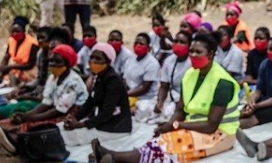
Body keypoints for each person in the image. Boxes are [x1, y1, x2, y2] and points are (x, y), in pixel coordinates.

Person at [92, 32, 240, 162]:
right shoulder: (190, 75)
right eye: (191, 51)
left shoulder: (223, 83)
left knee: (170, 144)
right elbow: (180, 110)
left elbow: (211, 126)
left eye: (198, 52)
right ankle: (118, 157)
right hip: (196, 126)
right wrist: (169, 125)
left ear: (211, 54)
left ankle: (116, 157)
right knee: (161, 139)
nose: (193, 55)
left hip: (220, 134)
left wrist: (176, 126)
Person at [0, 44, 89, 155]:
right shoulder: (53, 78)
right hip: (56, 109)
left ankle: (14, 142)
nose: (53, 65)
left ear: (67, 64)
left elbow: (60, 111)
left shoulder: (73, 82)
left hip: (72, 114)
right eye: (52, 61)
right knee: (20, 118)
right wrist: (28, 115)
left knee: (37, 124)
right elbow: (46, 103)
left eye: (58, 62)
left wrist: (31, 117)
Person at [60, 42, 132, 146]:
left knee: (69, 137)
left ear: (108, 62)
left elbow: (107, 113)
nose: (93, 61)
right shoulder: (99, 77)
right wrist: (75, 118)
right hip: (103, 121)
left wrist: (80, 125)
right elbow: (90, 102)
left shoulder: (113, 81)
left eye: (98, 59)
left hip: (115, 126)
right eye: (92, 58)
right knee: (62, 128)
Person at [153, 30, 193, 121]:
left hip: (188, 102)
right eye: (176, 41)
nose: (178, 44)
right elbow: (164, 86)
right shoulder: (168, 61)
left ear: (189, 45)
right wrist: (160, 102)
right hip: (173, 98)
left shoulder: (193, 63)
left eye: (182, 42)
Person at [0, 16, 39, 84]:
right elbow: (6, 56)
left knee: (11, 76)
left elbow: (30, 64)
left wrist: (10, 67)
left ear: (23, 31)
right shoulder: (11, 40)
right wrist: (1, 70)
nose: (15, 34)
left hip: (27, 71)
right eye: (13, 31)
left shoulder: (33, 43)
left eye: (17, 31)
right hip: (14, 68)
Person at [123, 32, 161, 106]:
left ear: (148, 48)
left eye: (141, 44)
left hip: (145, 99)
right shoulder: (130, 59)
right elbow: (125, 79)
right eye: (136, 43)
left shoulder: (152, 63)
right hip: (130, 95)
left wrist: (125, 94)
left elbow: (145, 88)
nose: (138, 45)